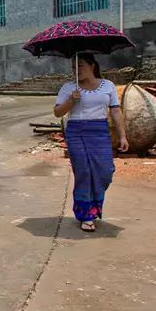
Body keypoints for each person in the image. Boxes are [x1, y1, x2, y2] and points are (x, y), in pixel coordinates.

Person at [53, 53, 129, 232]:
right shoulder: (69, 88)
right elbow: (57, 113)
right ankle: (86, 215)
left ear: (92, 66)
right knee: (84, 172)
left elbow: (116, 112)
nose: (76, 70)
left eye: (80, 66)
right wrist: (71, 100)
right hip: (76, 131)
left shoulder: (108, 86)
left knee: (105, 171)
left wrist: (123, 136)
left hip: (100, 131)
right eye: (73, 67)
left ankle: (94, 204)